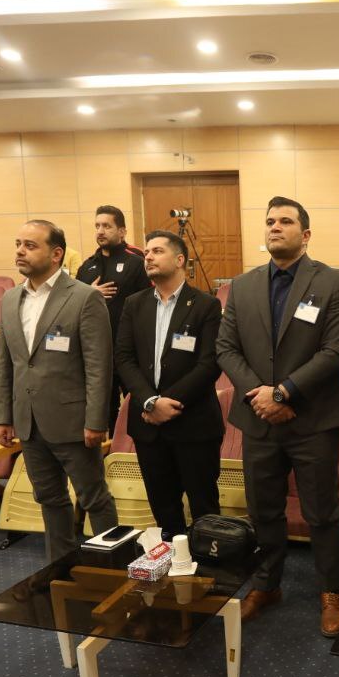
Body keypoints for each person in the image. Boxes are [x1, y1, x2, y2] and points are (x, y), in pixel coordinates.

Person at [216, 196, 339, 637]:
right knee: (263, 509)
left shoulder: (333, 281)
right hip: (258, 418)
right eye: (270, 221)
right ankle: (267, 584)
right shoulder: (242, 285)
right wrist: (260, 396)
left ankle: (330, 591)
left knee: (322, 513)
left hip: (312, 418)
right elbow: (226, 348)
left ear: (305, 234)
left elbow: (336, 350)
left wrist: (282, 392)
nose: (275, 227)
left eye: (286, 221)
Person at [0, 219, 119, 561]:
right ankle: (60, 566)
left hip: (74, 422)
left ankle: (110, 570)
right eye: (18, 244)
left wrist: (96, 420)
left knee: (94, 499)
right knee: (49, 498)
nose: (20, 251)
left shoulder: (84, 297)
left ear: (56, 253)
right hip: (29, 422)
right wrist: (2, 416)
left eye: (30, 245)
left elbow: (98, 366)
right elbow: (5, 364)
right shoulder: (9, 299)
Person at [114, 230, 223, 536]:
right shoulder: (135, 304)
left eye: (157, 251)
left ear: (179, 260)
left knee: (205, 510)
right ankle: (173, 560)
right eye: (147, 252)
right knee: (164, 509)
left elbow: (210, 364)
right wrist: (151, 402)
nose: (148, 256)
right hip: (148, 425)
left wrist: (167, 403)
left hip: (194, 423)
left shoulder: (205, 305)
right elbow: (123, 358)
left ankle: (208, 564)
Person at [74, 205, 151, 431]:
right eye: (97, 226)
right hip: (97, 352)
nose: (100, 231)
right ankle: (108, 449)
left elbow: (149, 303)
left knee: (136, 406)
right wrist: (88, 293)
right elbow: (72, 305)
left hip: (130, 350)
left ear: (122, 231)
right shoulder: (87, 267)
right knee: (103, 409)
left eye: (107, 226)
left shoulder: (136, 262)